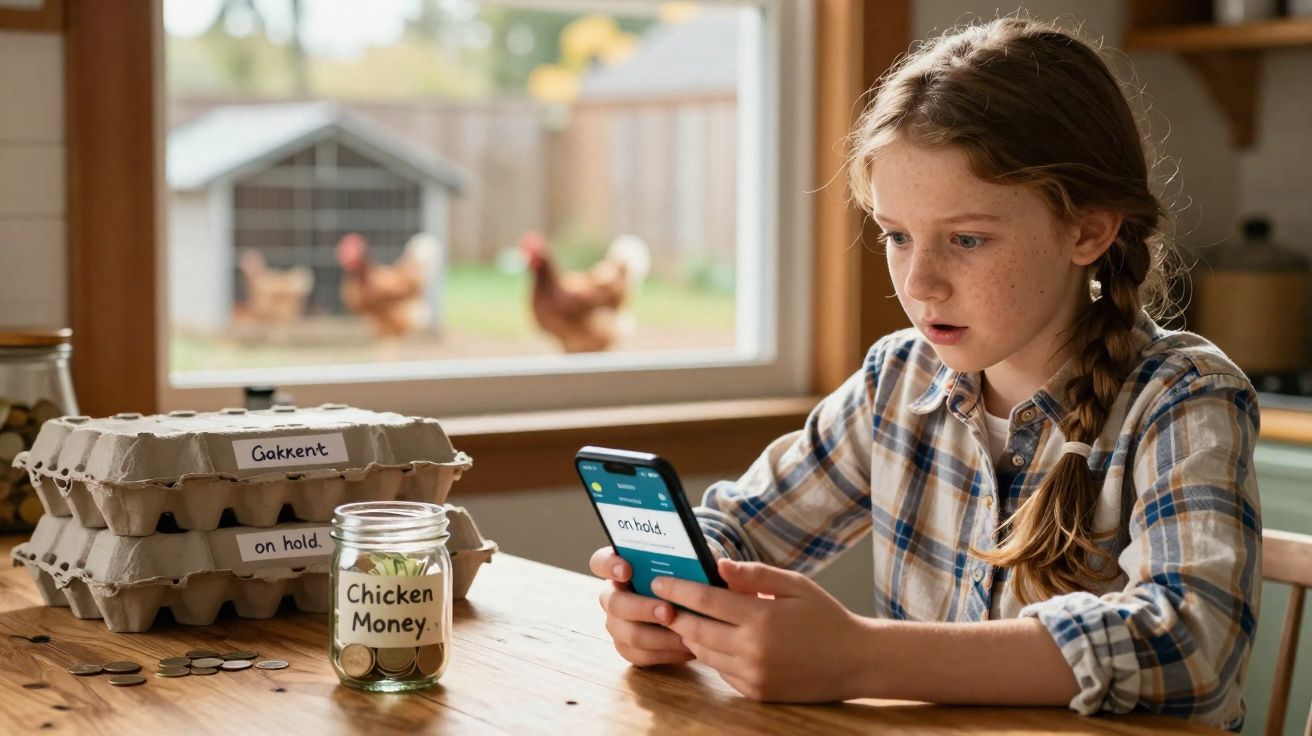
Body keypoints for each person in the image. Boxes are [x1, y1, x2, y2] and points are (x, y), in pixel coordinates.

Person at [587, 15, 1261, 732]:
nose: (921, 282)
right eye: (897, 236)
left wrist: (859, 657)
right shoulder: (898, 380)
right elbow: (737, 528)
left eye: (966, 239)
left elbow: (1189, 643)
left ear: (1090, 230)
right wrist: (666, 599)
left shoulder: (1182, 397)